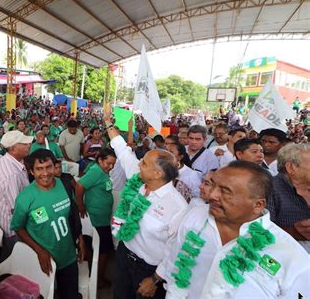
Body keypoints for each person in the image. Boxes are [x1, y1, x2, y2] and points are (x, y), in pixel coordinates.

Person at [154, 161, 309, 298]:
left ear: (258, 205)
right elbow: (175, 264)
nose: (213, 195)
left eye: (226, 191)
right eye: (213, 185)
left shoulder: (291, 257)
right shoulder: (195, 216)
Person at [103, 106, 188, 299]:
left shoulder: (177, 207)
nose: (139, 163)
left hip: (149, 271)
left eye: (144, 163)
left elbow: (176, 250)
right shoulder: (139, 178)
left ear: (158, 174)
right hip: (124, 256)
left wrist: (156, 279)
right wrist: (108, 122)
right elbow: (122, 150)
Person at [11, 149, 84, 299]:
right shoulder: (25, 198)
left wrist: (80, 239)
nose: (45, 173)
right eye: (39, 169)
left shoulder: (64, 185)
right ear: (31, 171)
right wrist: (39, 251)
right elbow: (18, 227)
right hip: (45, 259)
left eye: (49, 167)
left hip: (69, 255)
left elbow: (72, 215)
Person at [75, 148, 116, 289]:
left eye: (113, 165)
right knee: (104, 249)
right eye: (108, 163)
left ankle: (96, 275)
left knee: (98, 248)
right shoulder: (96, 171)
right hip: (96, 217)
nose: (110, 167)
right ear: (100, 160)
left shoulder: (100, 171)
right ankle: (98, 279)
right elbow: (80, 185)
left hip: (102, 217)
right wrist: (80, 205)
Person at [0, 130, 32, 260]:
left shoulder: (9, 161)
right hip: (15, 230)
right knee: (16, 261)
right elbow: (16, 209)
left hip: (9, 223)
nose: (28, 145)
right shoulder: (11, 175)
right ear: (13, 148)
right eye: (24, 143)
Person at [267, 143, 310, 252]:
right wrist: (293, 231)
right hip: (284, 258)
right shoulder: (269, 189)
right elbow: (259, 231)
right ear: (291, 167)